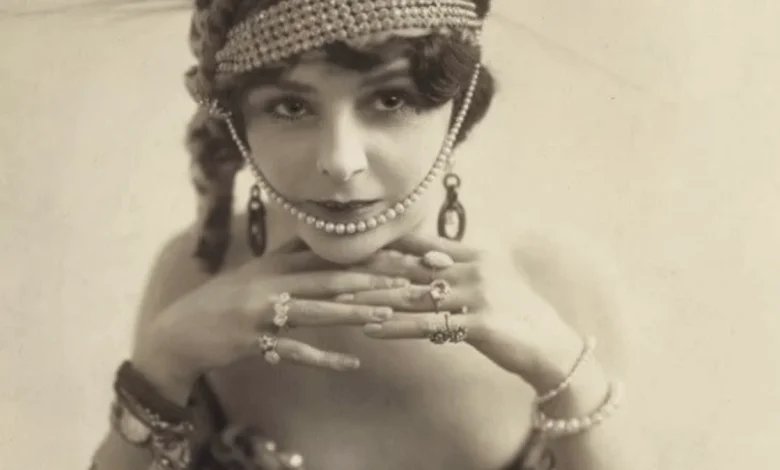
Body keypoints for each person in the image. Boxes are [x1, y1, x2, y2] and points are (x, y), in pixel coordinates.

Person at [91, 1, 651, 469]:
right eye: (290, 106)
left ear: (459, 103)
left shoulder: (561, 285)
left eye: (391, 99)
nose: (340, 161)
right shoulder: (195, 274)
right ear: (238, 121)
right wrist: (159, 372)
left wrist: (569, 377)